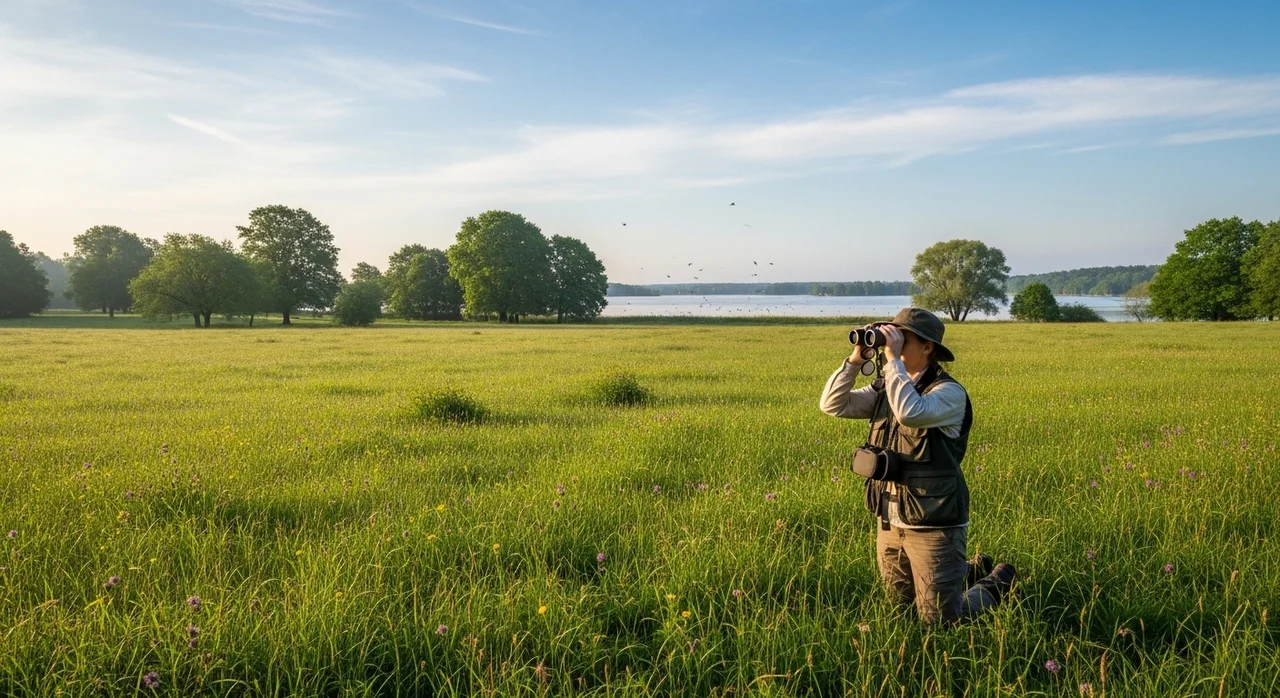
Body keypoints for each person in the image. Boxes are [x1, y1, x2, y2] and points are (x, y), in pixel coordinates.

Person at [819, 307, 1016, 624]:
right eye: (890, 338)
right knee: (900, 611)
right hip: (890, 519)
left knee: (941, 622)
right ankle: (963, 570)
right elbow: (833, 404)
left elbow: (910, 412)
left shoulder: (948, 392)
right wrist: (856, 359)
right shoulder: (887, 387)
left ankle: (993, 584)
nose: (891, 345)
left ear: (927, 347)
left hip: (933, 523)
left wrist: (893, 362)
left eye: (902, 339)